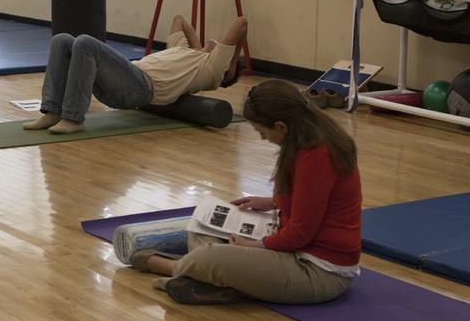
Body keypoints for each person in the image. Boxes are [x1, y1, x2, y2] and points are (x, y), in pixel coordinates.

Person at [131, 79, 362, 306]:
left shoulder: (316, 154)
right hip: (296, 250)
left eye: (262, 131)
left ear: (281, 126)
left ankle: (171, 267)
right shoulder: (304, 139)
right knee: (202, 230)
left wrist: (254, 246)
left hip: (317, 271)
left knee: (212, 256)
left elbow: (300, 234)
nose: (263, 138)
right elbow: (313, 198)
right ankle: (215, 278)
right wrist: (271, 202)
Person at [24, 14, 248, 134]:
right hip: (123, 78)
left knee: (85, 42)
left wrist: (233, 55)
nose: (217, 42)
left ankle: (73, 118)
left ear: (228, 69)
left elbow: (241, 23)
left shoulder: (213, 70)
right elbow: (179, 19)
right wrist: (199, 48)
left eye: (223, 48)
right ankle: (53, 111)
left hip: (140, 88)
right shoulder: (185, 51)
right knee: (62, 40)